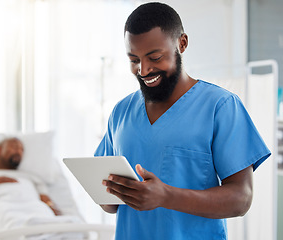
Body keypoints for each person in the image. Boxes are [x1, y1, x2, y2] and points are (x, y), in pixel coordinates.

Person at [95, 2, 271, 240]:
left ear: (182, 43)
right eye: (134, 60)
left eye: (155, 57)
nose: (144, 69)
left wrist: (165, 196)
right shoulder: (121, 112)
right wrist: (111, 193)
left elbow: (241, 199)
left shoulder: (220, 106)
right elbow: (108, 203)